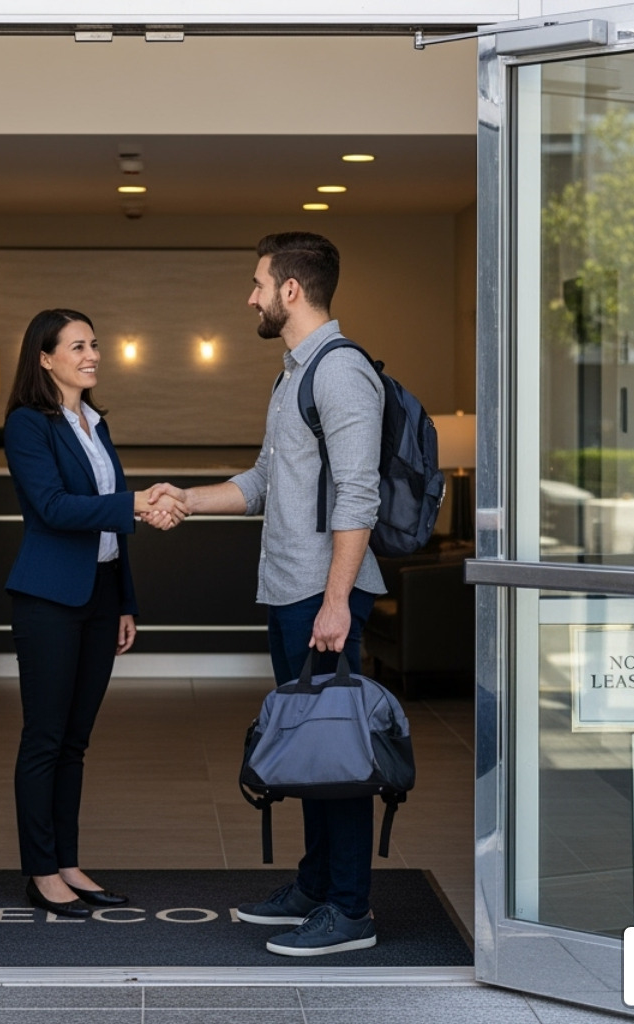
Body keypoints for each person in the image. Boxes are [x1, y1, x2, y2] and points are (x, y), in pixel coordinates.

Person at [147, 233, 386, 955]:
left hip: (323, 598)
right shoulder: (294, 375)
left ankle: (349, 912)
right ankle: (315, 886)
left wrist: (337, 602)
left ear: (290, 290)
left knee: (338, 756)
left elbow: (359, 493)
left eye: (257, 283)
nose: (248, 296)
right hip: (293, 594)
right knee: (311, 755)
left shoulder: (340, 375)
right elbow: (260, 481)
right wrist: (183, 497)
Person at [3, 307, 187, 919]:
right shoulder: (29, 425)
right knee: (45, 738)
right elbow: (55, 508)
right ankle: (41, 871)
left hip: (100, 596)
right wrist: (137, 503)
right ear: (45, 358)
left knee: (76, 742)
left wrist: (125, 601)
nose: (92, 354)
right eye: (77, 345)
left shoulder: (94, 422)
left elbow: (111, 516)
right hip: (49, 599)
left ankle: (68, 862)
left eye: (95, 344)